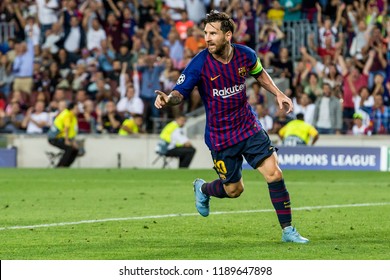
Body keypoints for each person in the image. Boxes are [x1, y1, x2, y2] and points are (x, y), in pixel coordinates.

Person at [154, 11, 309, 243]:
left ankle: (288, 231)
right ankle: (204, 189)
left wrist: (279, 93)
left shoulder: (245, 55)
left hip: (248, 127)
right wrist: (168, 99)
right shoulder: (199, 63)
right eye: (206, 33)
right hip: (221, 137)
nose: (207, 38)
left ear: (228, 35)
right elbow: (179, 92)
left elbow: (259, 74)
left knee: (274, 174)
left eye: (213, 33)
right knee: (234, 190)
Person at [48, 102, 79, 167]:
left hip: (59, 137)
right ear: (71, 109)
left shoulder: (72, 116)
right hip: (54, 137)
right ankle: (60, 166)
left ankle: (66, 166)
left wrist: (73, 141)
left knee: (75, 149)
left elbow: (72, 131)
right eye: (76, 108)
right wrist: (66, 140)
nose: (78, 110)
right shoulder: (67, 114)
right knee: (69, 148)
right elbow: (66, 128)